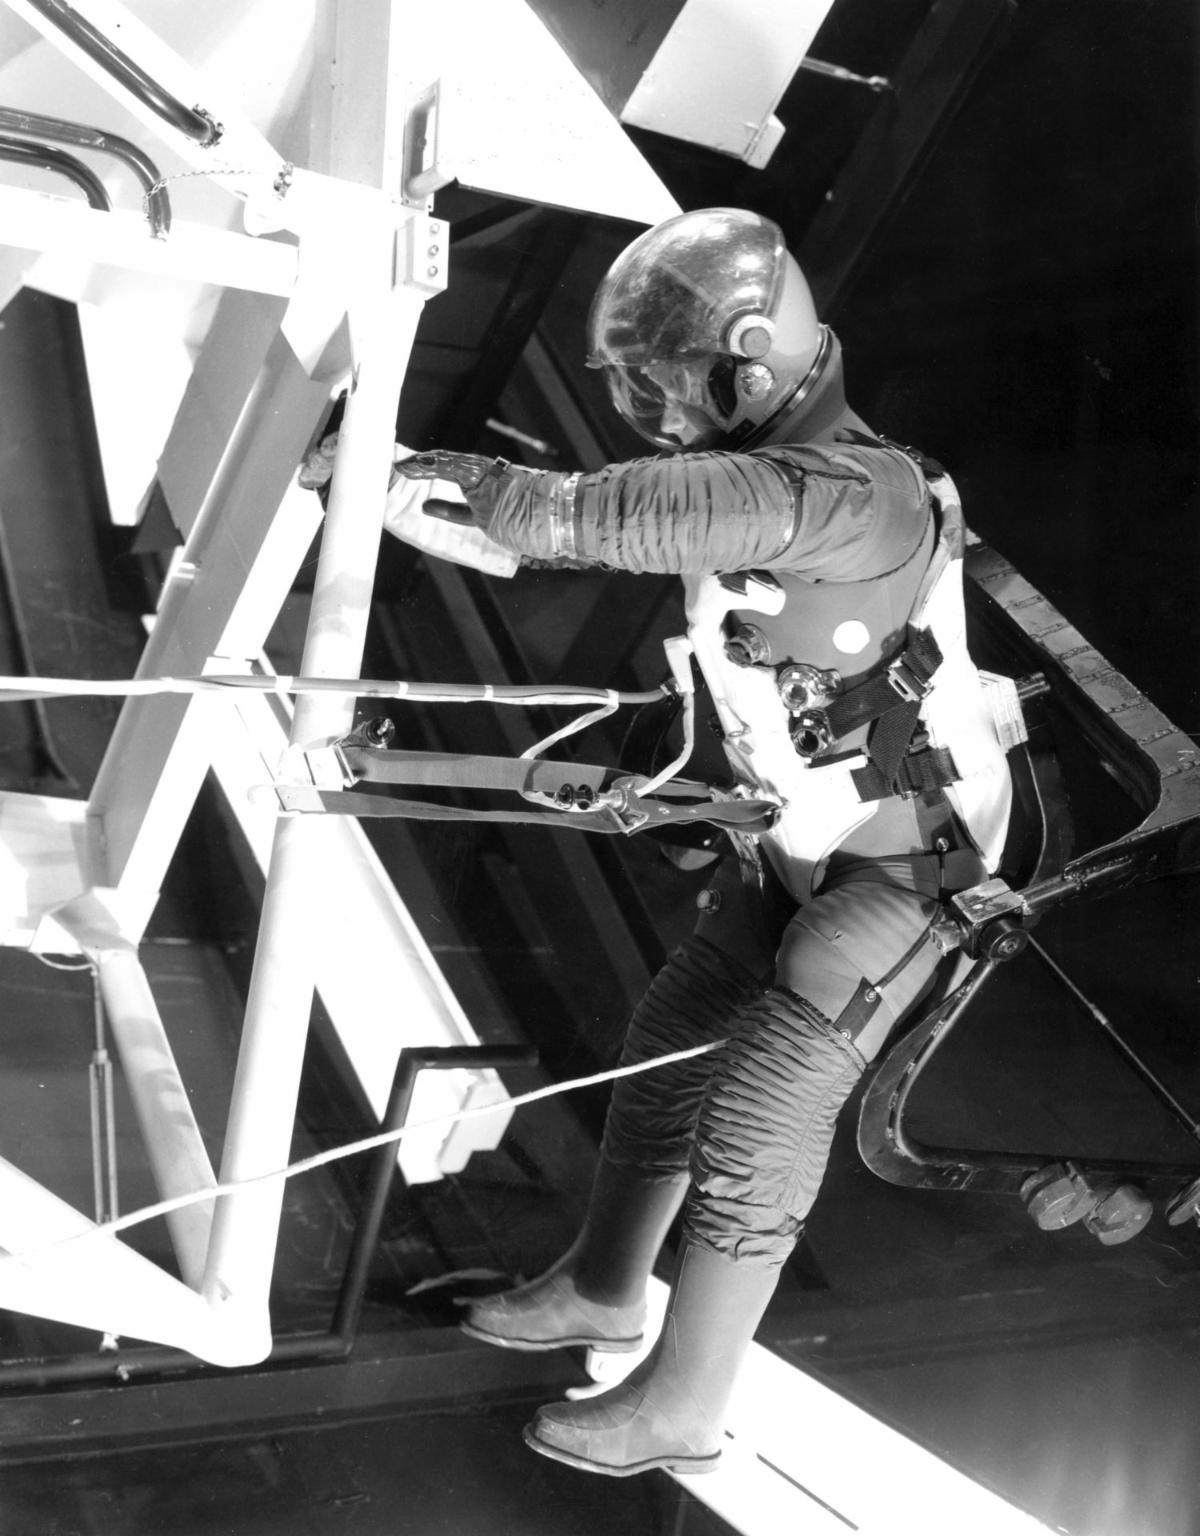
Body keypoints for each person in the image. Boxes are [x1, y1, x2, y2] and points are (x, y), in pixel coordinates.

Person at [386, 208, 1015, 1477]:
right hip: (798, 848)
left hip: (912, 874)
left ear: (749, 361)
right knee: (670, 1048)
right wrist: (394, 482)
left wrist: (505, 497)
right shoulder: (770, 487)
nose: (654, 410)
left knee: (761, 1112)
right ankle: (607, 1288)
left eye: (668, 382)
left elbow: (635, 514)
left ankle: (683, 1401)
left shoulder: (861, 491)